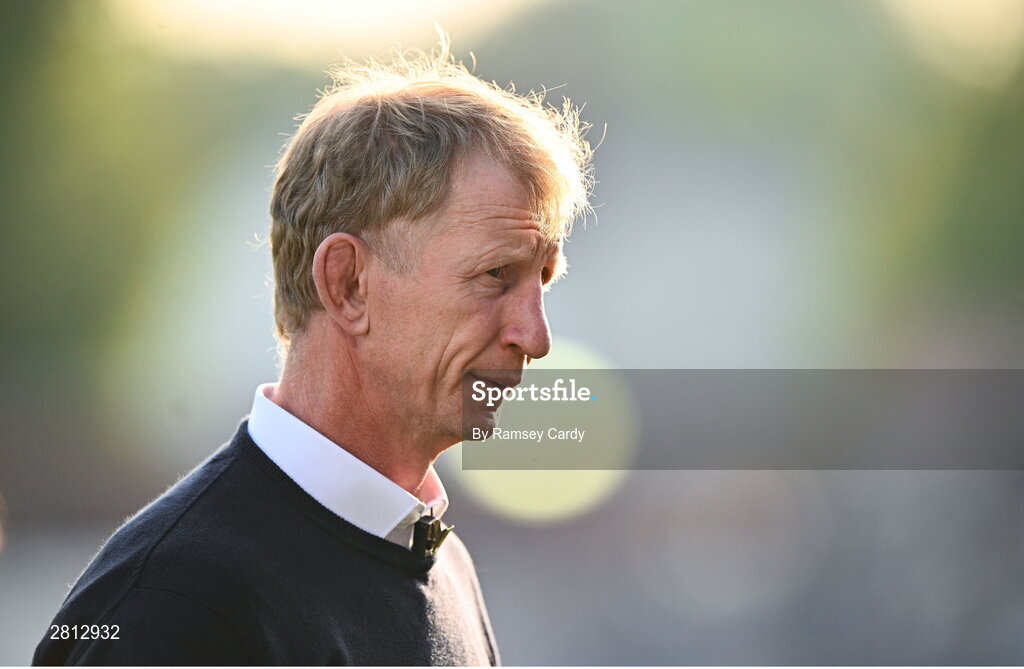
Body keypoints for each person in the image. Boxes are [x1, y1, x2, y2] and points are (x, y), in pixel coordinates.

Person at [33, 39, 593, 666]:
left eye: (541, 281)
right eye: (495, 275)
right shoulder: (167, 606)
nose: (535, 338)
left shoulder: (437, 559)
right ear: (348, 286)